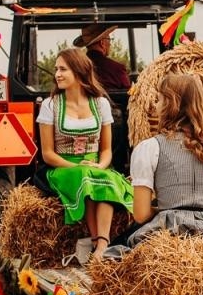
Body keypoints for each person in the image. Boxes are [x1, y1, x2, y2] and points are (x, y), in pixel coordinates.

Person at [115, 73, 203, 251]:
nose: (156, 105)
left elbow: (141, 214)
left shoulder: (150, 148)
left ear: (171, 104)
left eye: (159, 99)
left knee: (115, 254)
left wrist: (170, 210)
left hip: (167, 237)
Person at [36, 48, 133, 261]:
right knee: (86, 177)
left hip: (94, 165)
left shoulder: (101, 104)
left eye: (63, 69)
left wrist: (101, 165)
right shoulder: (50, 105)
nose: (57, 74)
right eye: (56, 69)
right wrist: (77, 167)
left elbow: (106, 150)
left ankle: (102, 245)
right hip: (63, 168)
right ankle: (97, 242)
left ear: (79, 72)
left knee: (104, 177)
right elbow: (48, 154)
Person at [74, 23, 131, 90]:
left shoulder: (76, 67)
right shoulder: (117, 68)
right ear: (102, 43)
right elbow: (129, 93)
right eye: (109, 39)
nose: (110, 44)